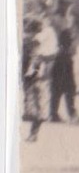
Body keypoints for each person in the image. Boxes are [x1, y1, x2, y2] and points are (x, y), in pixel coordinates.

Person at [49, 0, 79, 122]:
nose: (67, 8)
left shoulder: (70, 19)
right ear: (60, 5)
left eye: (69, 5)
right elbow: (53, 36)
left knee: (70, 86)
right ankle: (54, 113)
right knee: (58, 86)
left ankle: (71, 112)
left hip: (68, 56)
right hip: (58, 56)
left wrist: (73, 46)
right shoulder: (54, 19)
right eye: (65, 5)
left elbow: (74, 36)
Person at [22, 12, 50, 141]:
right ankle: (34, 133)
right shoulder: (40, 39)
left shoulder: (32, 42)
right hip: (40, 75)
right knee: (38, 104)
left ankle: (33, 133)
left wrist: (30, 73)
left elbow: (34, 59)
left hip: (34, 76)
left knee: (34, 105)